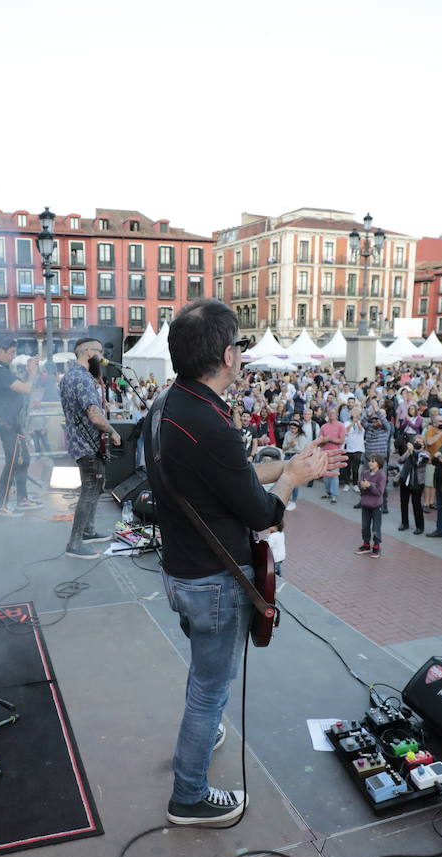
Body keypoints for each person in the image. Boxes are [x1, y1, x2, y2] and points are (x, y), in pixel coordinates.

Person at [144, 299, 339, 826]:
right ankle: (189, 796)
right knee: (212, 689)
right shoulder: (212, 424)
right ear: (228, 355)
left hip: (180, 570)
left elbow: (225, 480)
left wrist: (284, 466)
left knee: (205, 676)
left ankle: (202, 736)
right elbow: (260, 512)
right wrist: (295, 478)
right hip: (214, 581)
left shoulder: (165, 406)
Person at [59, 338, 122, 559]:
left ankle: (88, 531)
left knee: (96, 486)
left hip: (82, 442)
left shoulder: (70, 376)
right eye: (100, 353)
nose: (103, 358)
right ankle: (74, 544)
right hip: (87, 445)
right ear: (88, 353)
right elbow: (94, 415)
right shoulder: (82, 378)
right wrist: (113, 431)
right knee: (88, 491)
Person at [0, 338, 41, 514]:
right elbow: (25, 388)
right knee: (13, 462)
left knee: (24, 460)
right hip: (7, 423)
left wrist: (27, 373)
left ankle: (22, 498)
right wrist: (32, 373)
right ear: (1, 350)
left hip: (13, 422)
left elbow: (17, 387)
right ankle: (2, 503)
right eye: (12, 352)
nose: (13, 356)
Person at [395, 438, 428, 535]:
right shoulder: (409, 451)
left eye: (420, 442)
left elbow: (417, 463)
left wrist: (412, 451)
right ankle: (404, 523)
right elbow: (400, 460)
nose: (417, 443)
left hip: (417, 482)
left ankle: (420, 526)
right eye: (416, 442)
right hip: (405, 480)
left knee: (416, 504)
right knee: (403, 502)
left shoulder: (425, 454)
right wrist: (408, 452)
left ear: (424, 445)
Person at [356, 455, 386, 558]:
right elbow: (360, 486)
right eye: (369, 461)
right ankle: (366, 544)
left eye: (373, 461)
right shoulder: (364, 473)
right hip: (365, 504)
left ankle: (376, 546)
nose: (370, 463)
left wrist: (370, 486)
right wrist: (362, 486)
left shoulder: (381, 476)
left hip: (376, 505)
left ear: (378, 463)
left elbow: (379, 492)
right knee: (365, 526)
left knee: (376, 527)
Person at [318, 407, 346, 504]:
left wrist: (330, 439)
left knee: (334, 474)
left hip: (336, 453)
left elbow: (342, 440)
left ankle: (334, 495)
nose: (331, 415)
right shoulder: (323, 427)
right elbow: (320, 442)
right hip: (325, 453)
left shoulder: (341, 426)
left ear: (337, 415)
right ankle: (328, 492)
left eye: (333, 413)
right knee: (325, 475)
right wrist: (323, 441)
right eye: (329, 413)